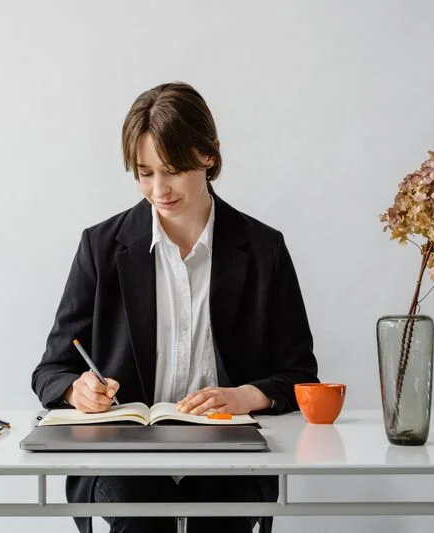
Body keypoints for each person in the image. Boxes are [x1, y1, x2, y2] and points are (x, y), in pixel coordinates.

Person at [32, 82, 318, 533]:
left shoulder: (264, 249)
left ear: (208, 156)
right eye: (144, 173)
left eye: (172, 170)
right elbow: (51, 370)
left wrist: (244, 396)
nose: (158, 190)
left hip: (229, 455)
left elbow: (300, 374)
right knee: (140, 516)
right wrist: (76, 390)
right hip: (125, 460)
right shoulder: (101, 247)